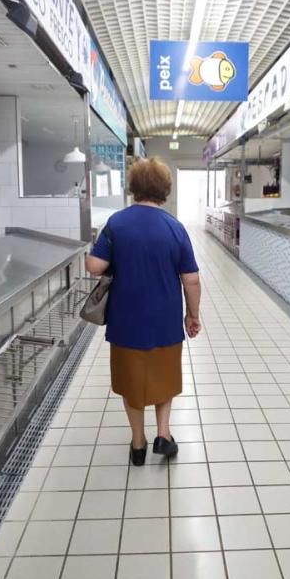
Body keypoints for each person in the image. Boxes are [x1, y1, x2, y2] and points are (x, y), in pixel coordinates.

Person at [85, 157, 201, 466]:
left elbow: (94, 267)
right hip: (164, 319)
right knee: (165, 375)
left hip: (126, 320)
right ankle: (164, 434)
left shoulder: (117, 223)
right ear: (165, 190)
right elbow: (191, 279)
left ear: (133, 187)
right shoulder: (175, 228)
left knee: (130, 381)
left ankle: (138, 443)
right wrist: (193, 316)